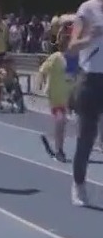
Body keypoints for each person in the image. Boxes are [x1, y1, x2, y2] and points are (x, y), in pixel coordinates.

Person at [66, 0, 103, 206]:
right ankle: (78, 184)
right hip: (91, 79)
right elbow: (71, 47)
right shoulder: (88, 9)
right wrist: (91, 37)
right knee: (87, 137)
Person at [39, 24, 76, 162]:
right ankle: (59, 151)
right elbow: (42, 70)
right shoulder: (55, 57)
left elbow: (75, 77)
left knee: (64, 124)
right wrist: (41, 81)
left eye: (69, 40)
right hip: (55, 96)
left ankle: (52, 138)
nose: (68, 43)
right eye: (65, 40)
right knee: (60, 121)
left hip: (68, 97)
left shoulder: (74, 59)